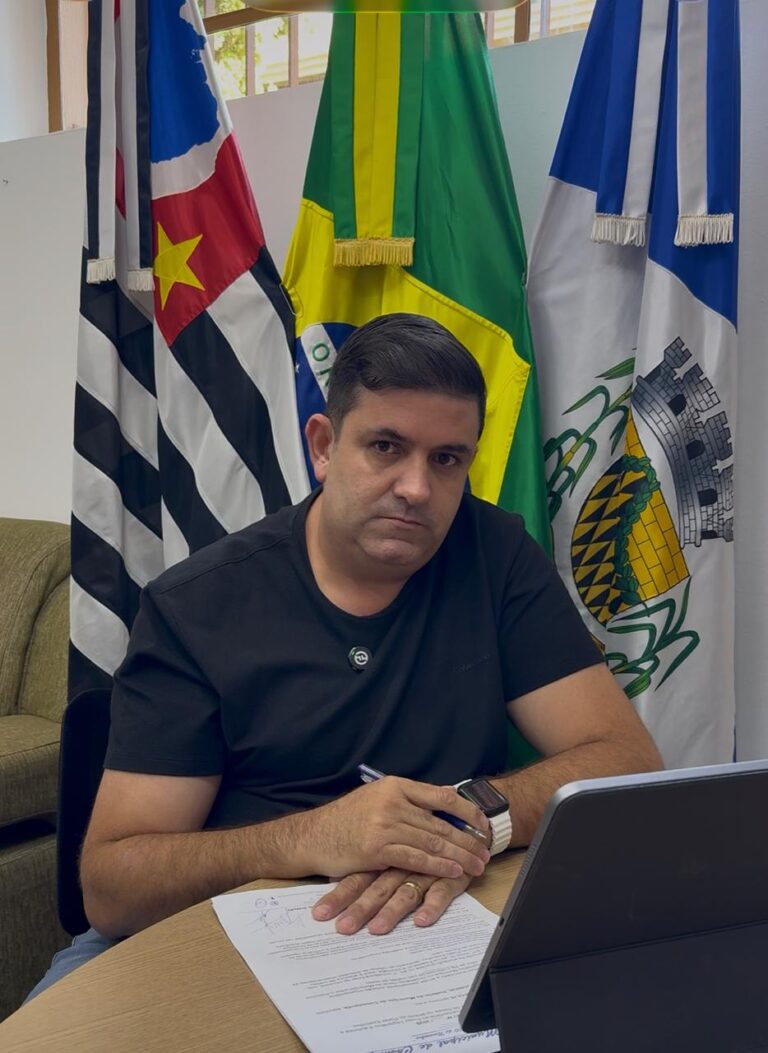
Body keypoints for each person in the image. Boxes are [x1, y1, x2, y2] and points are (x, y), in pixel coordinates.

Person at [28, 313, 661, 1000]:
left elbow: (626, 760)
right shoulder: (199, 604)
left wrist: (457, 822)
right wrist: (313, 837)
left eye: (447, 459)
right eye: (386, 447)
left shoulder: (495, 555)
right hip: (225, 921)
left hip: (436, 912)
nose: (416, 488)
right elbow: (113, 887)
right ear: (324, 446)